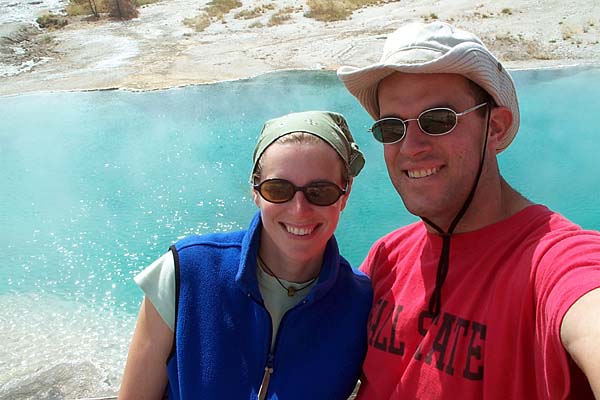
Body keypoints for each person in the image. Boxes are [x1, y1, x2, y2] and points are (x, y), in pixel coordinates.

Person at [337, 21, 600, 399]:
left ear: (495, 128)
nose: (410, 147)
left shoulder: (552, 261)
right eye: (391, 128)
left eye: (437, 120)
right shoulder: (387, 259)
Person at [118, 110, 373, 399]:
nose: (299, 209)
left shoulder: (360, 303)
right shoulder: (185, 273)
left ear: (345, 193)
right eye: (278, 189)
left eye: (320, 191)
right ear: (255, 190)